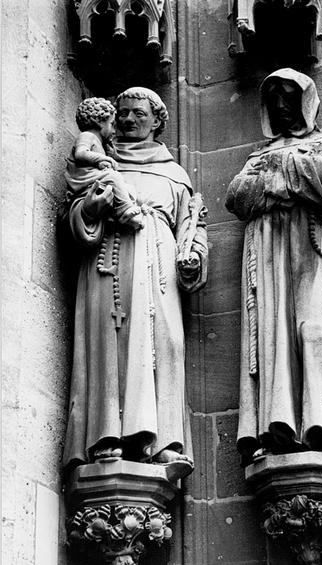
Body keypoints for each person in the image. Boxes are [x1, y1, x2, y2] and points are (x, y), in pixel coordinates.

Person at [226, 68, 322, 467]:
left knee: (316, 331)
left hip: (313, 248)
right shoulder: (258, 155)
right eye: (274, 100)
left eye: (289, 98)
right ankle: (278, 429)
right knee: (272, 338)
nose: (281, 106)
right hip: (269, 253)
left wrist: (278, 176)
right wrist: (297, 176)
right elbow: (237, 197)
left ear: (306, 102)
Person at [62, 87, 208, 478]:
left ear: (157, 121)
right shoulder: (102, 162)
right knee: (110, 344)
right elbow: (73, 217)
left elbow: (193, 227)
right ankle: (104, 437)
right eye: (122, 114)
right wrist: (94, 206)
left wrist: (194, 259)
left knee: (165, 344)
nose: (127, 120)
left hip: (159, 268)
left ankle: (162, 442)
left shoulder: (175, 173)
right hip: (107, 262)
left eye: (137, 114)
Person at [66, 97, 144, 230]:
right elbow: (80, 153)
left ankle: (127, 208)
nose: (114, 131)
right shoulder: (87, 136)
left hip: (95, 177)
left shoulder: (101, 143)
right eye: (112, 124)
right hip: (85, 178)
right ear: (98, 121)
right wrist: (102, 159)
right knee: (114, 177)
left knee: (126, 187)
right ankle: (124, 211)